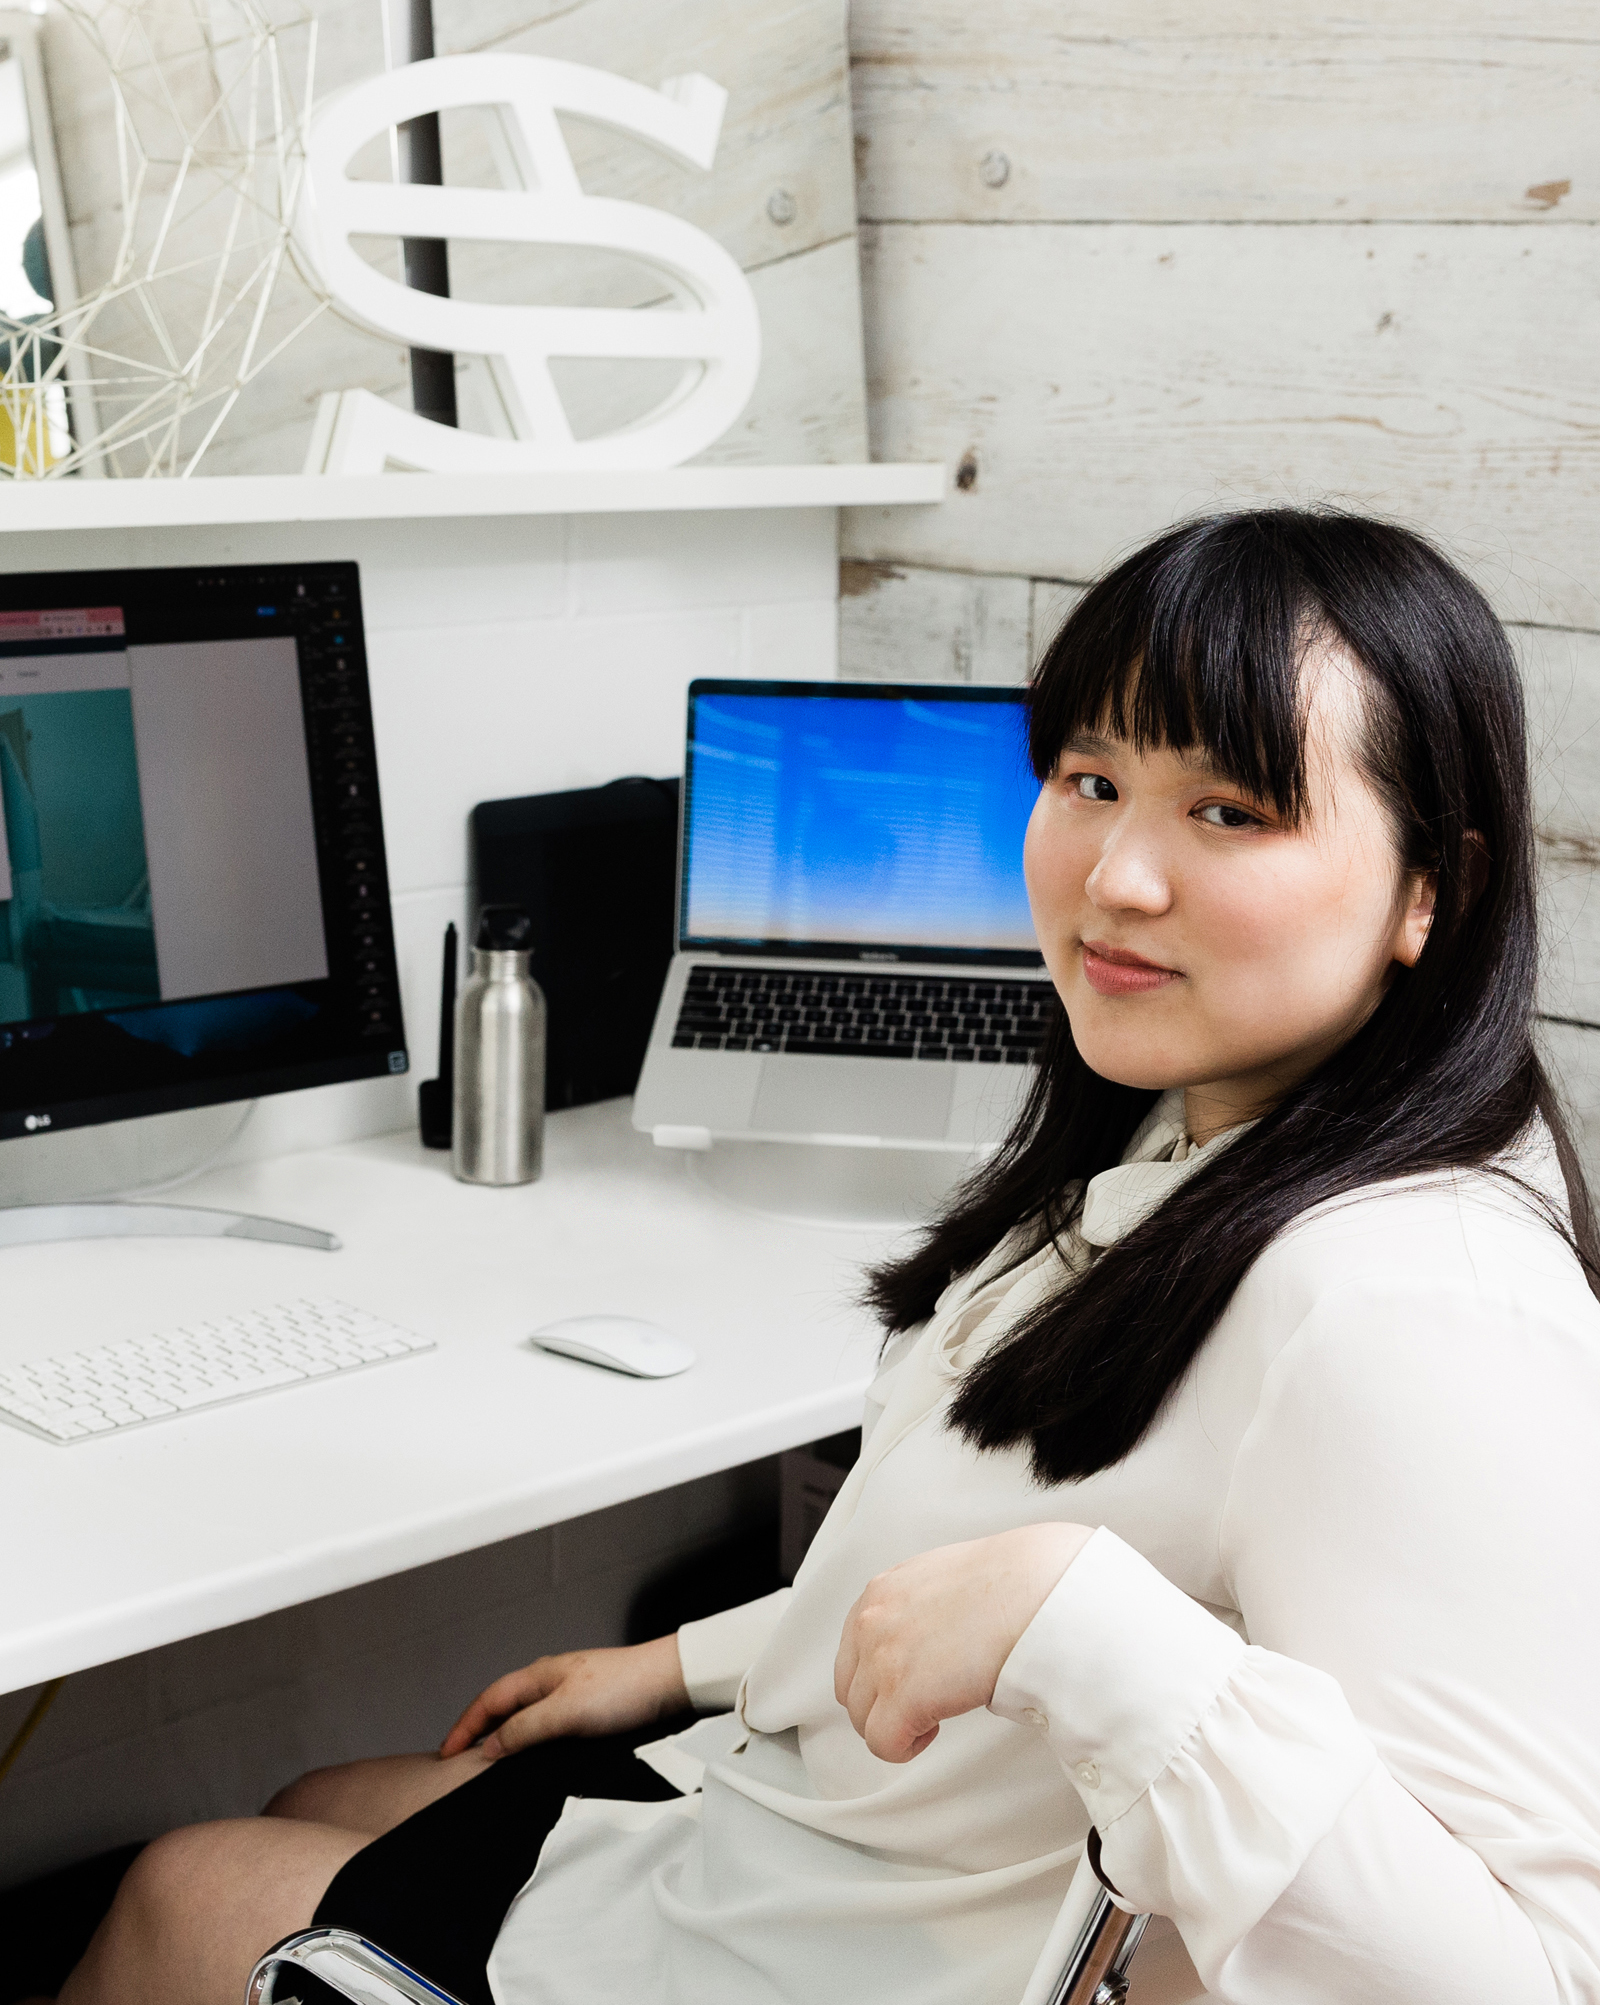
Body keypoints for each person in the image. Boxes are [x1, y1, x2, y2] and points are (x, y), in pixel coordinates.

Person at [45, 510, 1600, 2005]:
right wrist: (687, 1659)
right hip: (798, 1834)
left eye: (1231, 811)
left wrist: (1086, 1624)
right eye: (1090, 776)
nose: (1116, 876)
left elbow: (1533, 1977)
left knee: (179, 1887)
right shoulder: (1193, 1125)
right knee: (329, 1787)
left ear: (1431, 889)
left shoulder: (1412, 1307)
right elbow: (987, 1515)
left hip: (832, 1948)